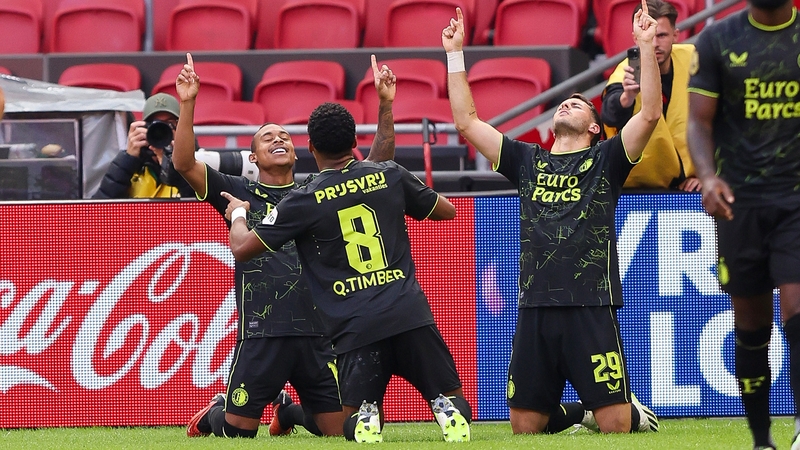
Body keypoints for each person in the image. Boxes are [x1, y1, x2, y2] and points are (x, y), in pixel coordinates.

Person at [442, 4, 660, 435]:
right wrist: (454, 54)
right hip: (535, 304)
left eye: (577, 104)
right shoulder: (525, 159)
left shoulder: (608, 159)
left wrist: (647, 45)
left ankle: (627, 412)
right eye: (563, 102)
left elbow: (650, 113)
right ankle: (579, 413)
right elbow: (466, 122)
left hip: (591, 304)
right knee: (525, 428)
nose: (566, 104)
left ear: (594, 128)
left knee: (616, 427)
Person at [177, 52, 399, 439]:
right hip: (263, 333)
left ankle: (290, 412)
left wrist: (385, 105)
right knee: (238, 435)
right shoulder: (238, 192)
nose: (278, 139)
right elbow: (183, 164)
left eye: (285, 137)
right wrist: (188, 103)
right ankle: (216, 413)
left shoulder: (317, 190)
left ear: (298, 152)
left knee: (338, 432)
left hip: (319, 332)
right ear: (253, 157)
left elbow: (376, 166)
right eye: (268, 137)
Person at [221, 104, 472, 443]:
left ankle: (367, 416)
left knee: (351, 421)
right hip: (410, 314)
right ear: (354, 141)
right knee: (452, 396)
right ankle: (445, 407)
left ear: (310, 147)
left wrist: (238, 214)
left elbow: (242, 248)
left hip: (356, 327)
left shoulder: (303, 199)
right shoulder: (389, 174)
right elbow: (447, 211)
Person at [686, 0, 800, 447]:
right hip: (740, 203)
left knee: (798, 311)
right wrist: (708, 176)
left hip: (795, 199)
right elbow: (698, 122)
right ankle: (761, 439)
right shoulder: (717, 39)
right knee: (752, 328)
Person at [602, 0, 700, 192]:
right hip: (634, 188)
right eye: (649, 36)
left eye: (661, 35)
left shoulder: (694, 59)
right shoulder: (625, 71)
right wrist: (627, 97)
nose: (655, 44)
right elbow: (610, 114)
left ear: (676, 35)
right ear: (636, 37)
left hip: (688, 186)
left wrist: (708, 175)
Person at [93, 92, 193, 199]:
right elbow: (100, 207)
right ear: (144, 128)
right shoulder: (131, 168)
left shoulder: (196, 165)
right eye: (155, 125)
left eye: (169, 124)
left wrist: (177, 169)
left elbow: (201, 203)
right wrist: (126, 161)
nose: (162, 131)